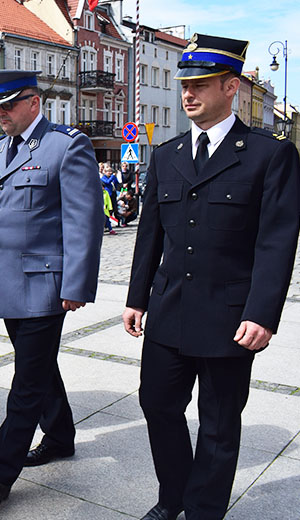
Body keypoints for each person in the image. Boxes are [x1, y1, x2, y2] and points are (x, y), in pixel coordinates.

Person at [122, 34, 300, 520]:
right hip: (170, 310)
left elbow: (276, 242)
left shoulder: (268, 154)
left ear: (231, 87)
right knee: (157, 405)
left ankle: (203, 510)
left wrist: (262, 313)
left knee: (220, 425)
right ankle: (174, 494)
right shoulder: (167, 153)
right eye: (184, 85)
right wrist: (137, 297)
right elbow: (150, 236)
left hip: (229, 318)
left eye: (200, 84)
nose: (187, 94)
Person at [0, 70, 102, 505]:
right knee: (39, 365)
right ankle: (60, 435)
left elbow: (84, 221)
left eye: (8, 105)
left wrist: (77, 283)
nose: (1, 114)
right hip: (9, 284)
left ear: (34, 102)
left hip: (46, 284)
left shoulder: (66, 146)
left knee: (26, 381)